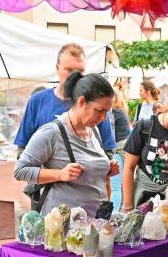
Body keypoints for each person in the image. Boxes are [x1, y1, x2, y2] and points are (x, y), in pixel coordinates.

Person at [14, 72, 120, 216]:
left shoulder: (93, 130)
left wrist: (107, 168)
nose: (103, 118)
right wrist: (59, 174)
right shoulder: (51, 132)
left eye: (107, 112)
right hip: (63, 227)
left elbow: (89, 169)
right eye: (100, 111)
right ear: (82, 102)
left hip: (94, 224)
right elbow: (20, 170)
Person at [14, 43, 116, 157]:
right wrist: (43, 172)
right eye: (69, 70)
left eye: (80, 71)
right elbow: (22, 148)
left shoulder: (95, 104)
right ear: (57, 68)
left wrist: (103, 167)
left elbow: (108, 150)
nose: (75, 75)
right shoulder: (37, 101)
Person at [108, 86, 132, 210]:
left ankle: (114, 213)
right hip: (123, 149)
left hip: (117, 149)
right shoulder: (121, 111)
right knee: (118, 185)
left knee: (115, 185)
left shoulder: (114, 113)